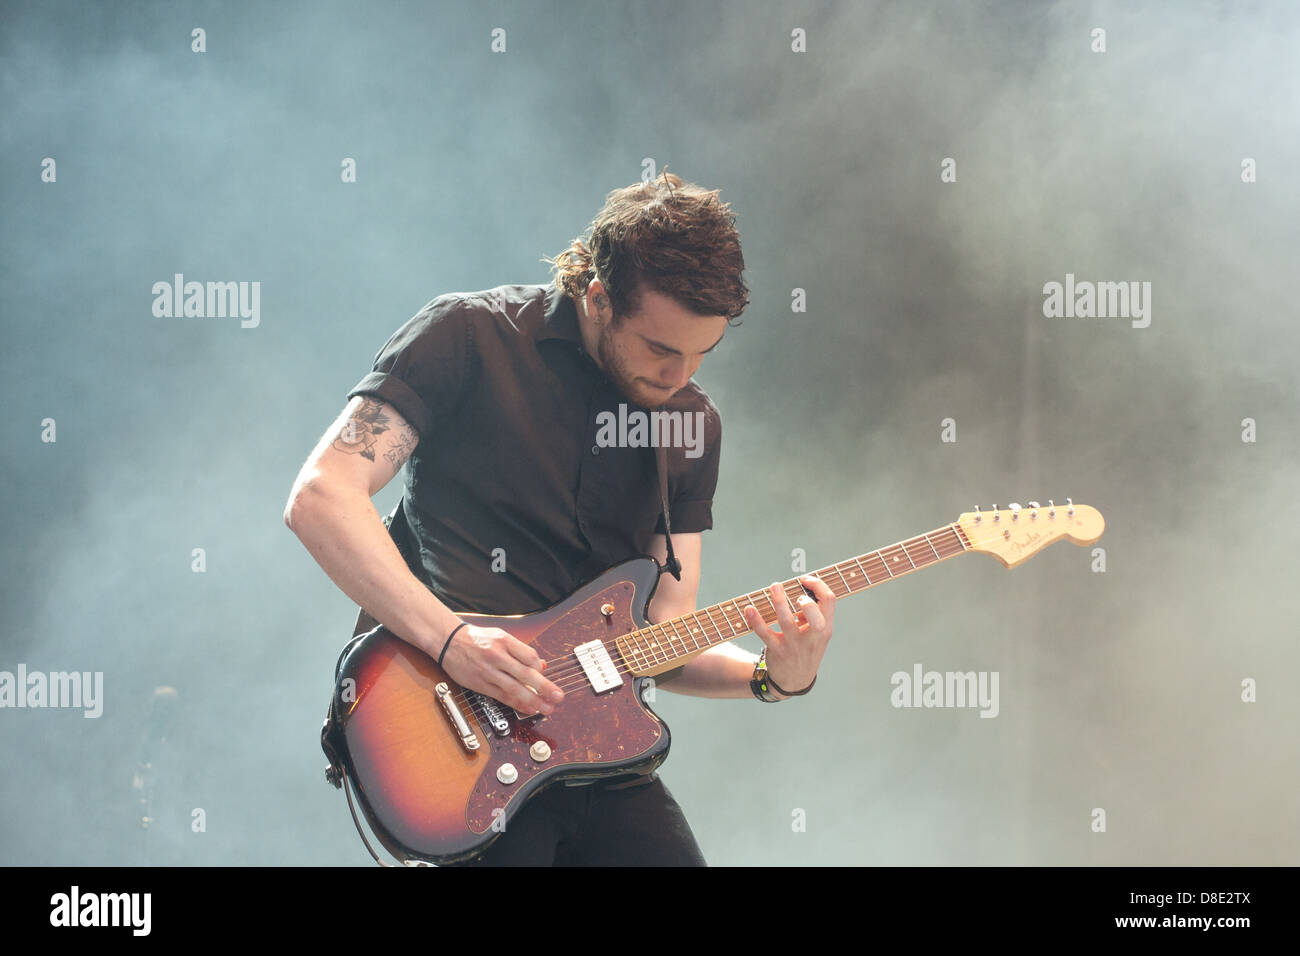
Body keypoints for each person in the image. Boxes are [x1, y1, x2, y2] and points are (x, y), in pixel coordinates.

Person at [285, 171, 836, 865]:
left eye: (702, 353)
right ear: (599, 299)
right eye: (662, 349)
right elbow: (321, 496)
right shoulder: (468, 336)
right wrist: (453, 640)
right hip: (454, 730)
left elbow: (665, 638)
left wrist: (772, 675)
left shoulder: (690, 426)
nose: (679, 376)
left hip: (592, 754)